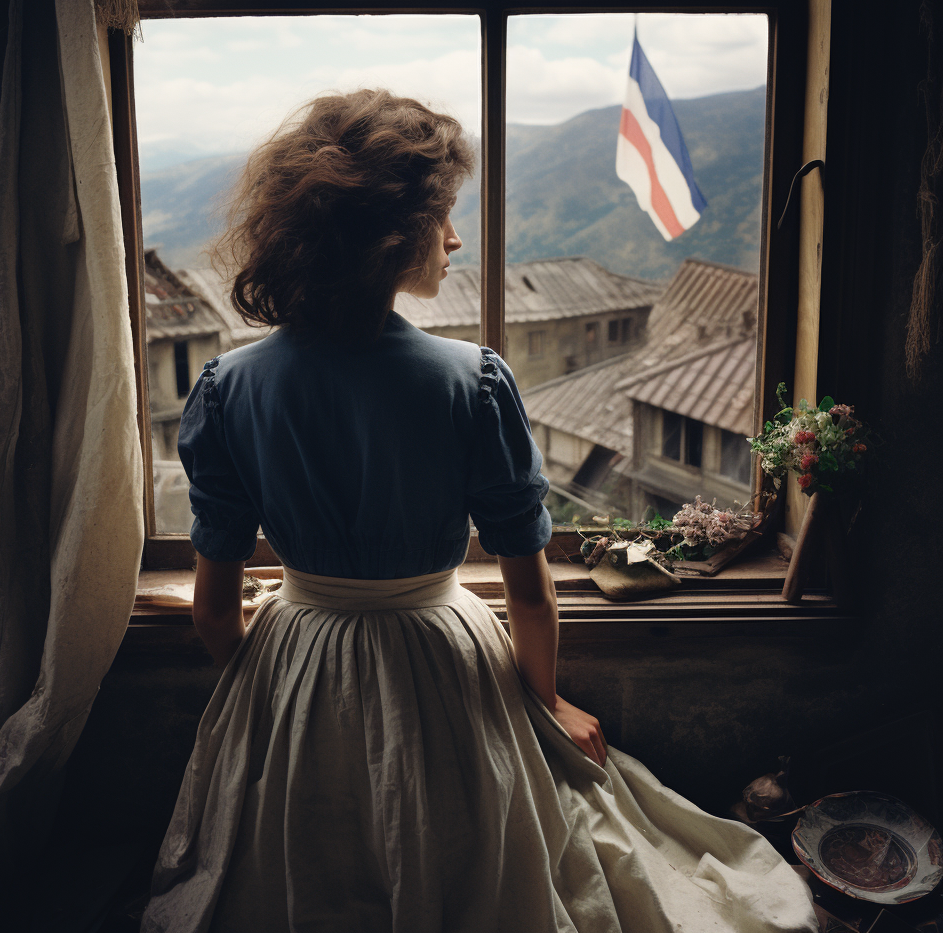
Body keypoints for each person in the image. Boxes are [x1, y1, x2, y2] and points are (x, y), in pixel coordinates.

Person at [141, 89, 817, 933]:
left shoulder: (227, 389)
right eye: (443, 219)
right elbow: (529, 593)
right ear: (390, 238)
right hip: (441, 652)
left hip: (296, 652)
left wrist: (272, 693)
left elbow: (213, 609)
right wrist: (551, 703)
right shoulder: (472, 382)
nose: (456, 240)